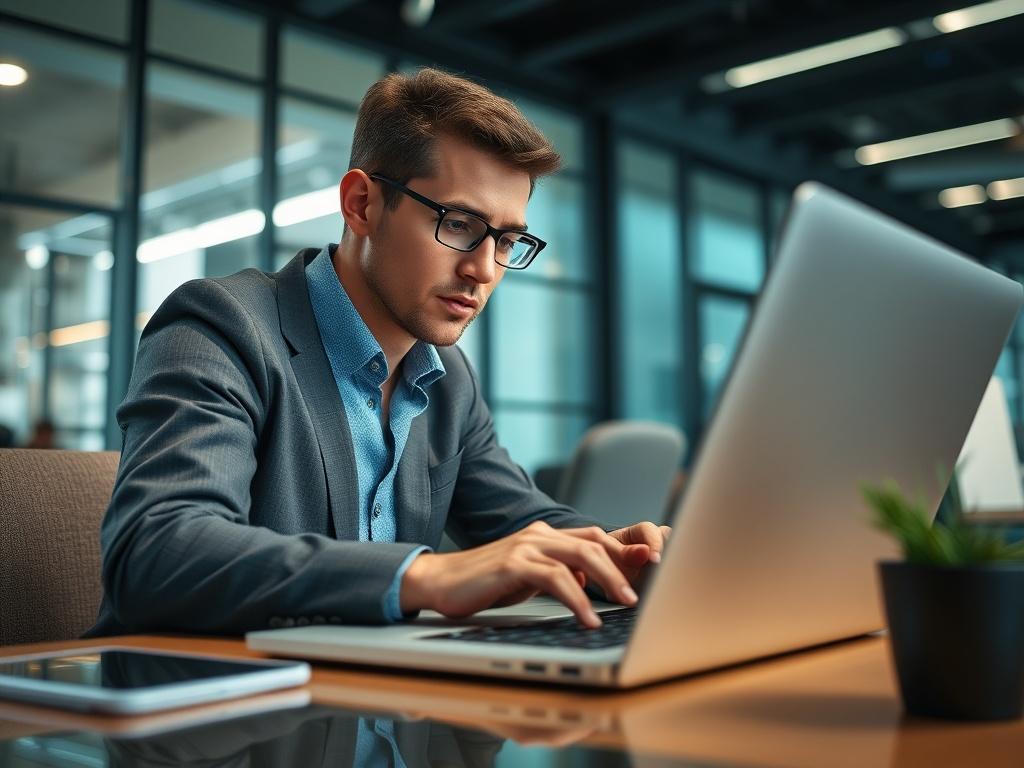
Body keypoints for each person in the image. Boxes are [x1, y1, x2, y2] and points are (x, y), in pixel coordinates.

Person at [87, 68, 669, 638]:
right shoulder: (221, 327)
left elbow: (522, 523)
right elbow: (157, 552)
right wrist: (426, 574)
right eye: (460, 223)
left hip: (367, 701)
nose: (484, 269)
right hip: (195, 707)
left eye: (508, 240)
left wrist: (621, 554)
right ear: (362, 204)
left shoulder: (448, 378)